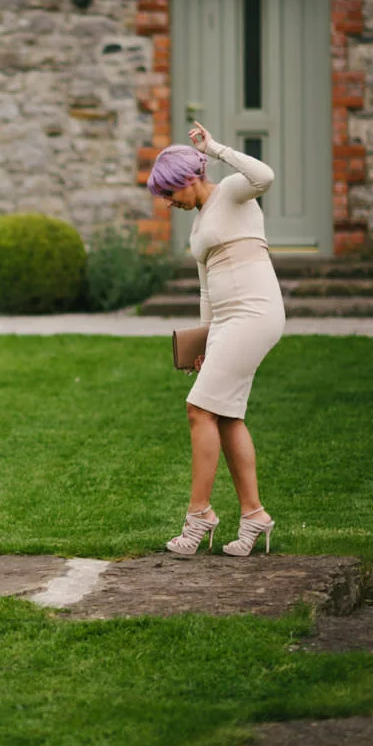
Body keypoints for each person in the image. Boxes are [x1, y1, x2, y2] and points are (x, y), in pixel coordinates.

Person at [146, 122, 285, 556]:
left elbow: (265, 176)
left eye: (170, 194)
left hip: (255, 312)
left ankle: (199, 515)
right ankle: (254, 517)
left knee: (198, 408)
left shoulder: (231, 191)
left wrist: (216, 148)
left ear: (190, 179)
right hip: (226, 320)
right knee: (225, 415)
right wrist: (204, 342)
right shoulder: (198, 224)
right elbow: (207, 288)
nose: (167, 203)